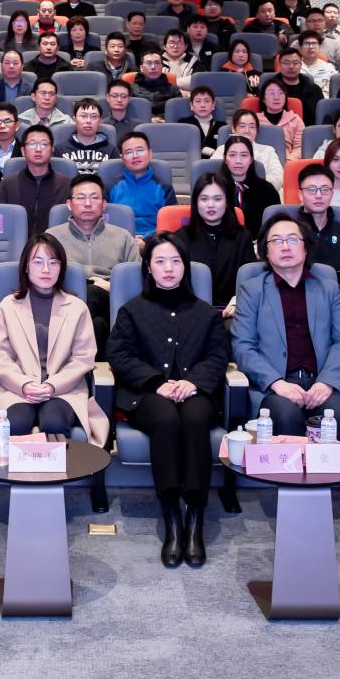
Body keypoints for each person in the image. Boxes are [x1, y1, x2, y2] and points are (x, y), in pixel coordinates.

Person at [233, 213, 340, 559]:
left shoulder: (326, 285)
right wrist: (276, 383)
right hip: (278, 386)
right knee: (286, 419)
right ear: (265, 251)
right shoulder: (252, 289)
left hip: (322, 382)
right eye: (276, 241)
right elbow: (243, 346)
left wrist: (327, 382)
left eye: (293, 239)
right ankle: (299, 522)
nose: (285, 247)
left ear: (306, 248)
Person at [108, 232, 230, 567]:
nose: (168, 268)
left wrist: (192, 382)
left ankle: (195, 515)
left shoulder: (205, 313)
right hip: (147, 394)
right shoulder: (132, 311)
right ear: (148, 267)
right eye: (160, 261)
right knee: (166, 419)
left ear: (185, 267)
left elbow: (217, 357)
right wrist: (156, 382)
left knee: (194, 418)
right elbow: (120, 355)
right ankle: (172, 515)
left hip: (195, 391)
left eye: (176, 261)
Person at [0, 235, 107, 445]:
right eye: (38, 262)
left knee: (53, 422)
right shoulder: (8, 306)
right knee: (15, 424)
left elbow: (82, 359)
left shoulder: (77, 308)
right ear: (26, 267)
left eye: (53, 262)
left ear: (61, 267)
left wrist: (51, 386)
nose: (46, 269)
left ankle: (57, 468)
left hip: (64, 390)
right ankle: (16, 469)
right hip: (17, 389)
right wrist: (24, 384)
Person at [47, 174, 138, 356]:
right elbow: (43, 276)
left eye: (94, 198)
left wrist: (112, 287)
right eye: (81, 197)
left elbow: (135, 280)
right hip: (66, 300)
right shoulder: (52, 237)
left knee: (93, 294)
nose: (88, 204)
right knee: (98, 325)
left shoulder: (123, 237)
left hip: (111, 299)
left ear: (103, 204)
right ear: (69, 204)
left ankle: (64, 356)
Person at [294, 162, 340, 357]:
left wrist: (329, 306)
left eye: (325, 189)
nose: (319, 195)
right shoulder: (289, 233)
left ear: (332, 193)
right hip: (295, 304)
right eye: (312, 190)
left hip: (339, 307)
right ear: (300, 195)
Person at [179, 172, 255, 311]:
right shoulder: (180, 238)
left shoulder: (243, 237)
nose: (211, 205)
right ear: (196, 202)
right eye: (204, 199)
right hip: (191, 311)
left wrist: (238, 302)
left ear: (227, 202)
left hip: (232, 312)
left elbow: (251, 280)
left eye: (218, 199)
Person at [0, 124, 72, 235]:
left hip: (55, 243)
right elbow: (1, 221)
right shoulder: (7, 184)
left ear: (52, 149)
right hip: (17, 242)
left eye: (44, 144)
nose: (38, 149)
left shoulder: (67, 184)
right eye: (32, 144)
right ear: (23, 151)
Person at [108, 131, 178, 239]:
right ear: (122, 158)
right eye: (129, 152)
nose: (135, 156)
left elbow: (170, 223)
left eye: (140, 150)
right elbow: (105, 221)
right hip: (119, 240)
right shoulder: (110, 187)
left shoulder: (164, 188)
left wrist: (146, 241)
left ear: (150, 153)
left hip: (154, 241)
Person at [215, 135, 281, 233]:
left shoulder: (267, 190)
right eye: (232, 155)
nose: (238, 161)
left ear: (251, 159)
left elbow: (276, 226)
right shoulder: (213, 189)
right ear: (225, 159)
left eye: (244, 155)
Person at [56, 97, 116, 172]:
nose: (88, 121)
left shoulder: (112, 150)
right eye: (83, 116)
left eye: (93, 117)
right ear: (74, 120)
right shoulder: (59, 150)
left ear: (100, 121)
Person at [269, 48, 324, 124]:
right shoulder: (269, 89)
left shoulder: (315, 90)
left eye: (295, 63)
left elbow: (320, 119)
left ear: (301, 65)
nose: (291, 66)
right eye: (286, 63)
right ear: (280, 65)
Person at [257, 78, 306, 161]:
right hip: (262, 161)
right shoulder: (255, 120)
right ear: (263, 99)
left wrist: (289, 161)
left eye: (280, 93)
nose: (276, 97)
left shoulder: (295, 120)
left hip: (287, 161)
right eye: (271, 93)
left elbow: (300, 147)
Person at [132, 49, 180, 117]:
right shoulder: (131, 89)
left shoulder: (173, 89)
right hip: (141, 121)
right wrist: (149, 118)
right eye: (149, 63)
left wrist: (161, 118)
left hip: (167, 121)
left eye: (157, 63)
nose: (153, 67)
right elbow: (129, 111)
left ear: (162, 66)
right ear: (141, 68)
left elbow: (179, 111)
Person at [182, 86, 222, 156]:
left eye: (207, 101)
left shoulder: (222, 126)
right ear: (191, 105)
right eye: (198, 101)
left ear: (213, 105)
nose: (202, 105)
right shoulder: (183, 124)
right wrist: (210, 151)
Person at [298, 30, 337, 95]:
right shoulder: (293, 67)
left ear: (320, 47)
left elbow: (332, 92)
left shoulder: (329, 68)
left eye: (314, 43)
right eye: (307, 44)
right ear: (300, 48)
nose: (311, 47)